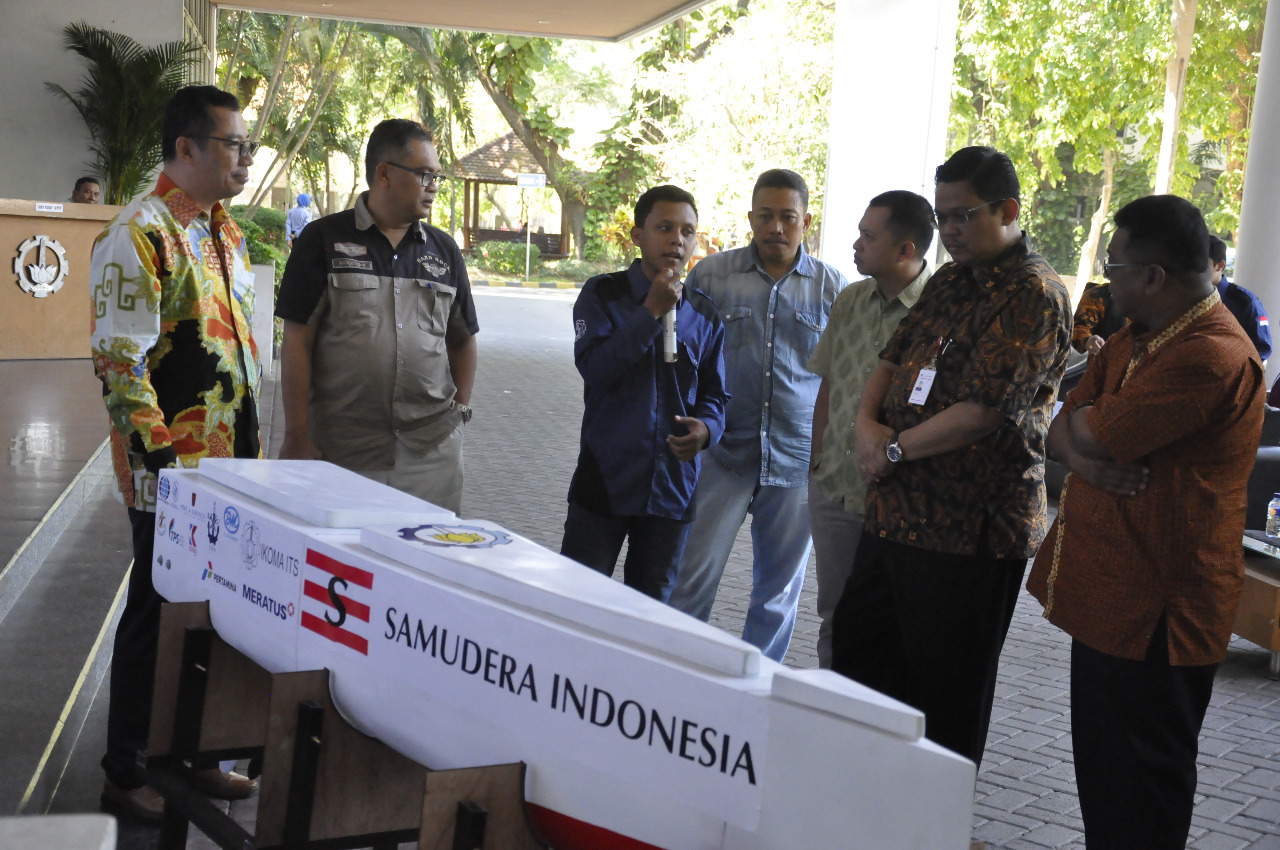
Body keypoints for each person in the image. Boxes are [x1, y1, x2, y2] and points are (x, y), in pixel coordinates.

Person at [1026, 195, 1264, 849]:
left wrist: (1083, 446)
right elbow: (1063, 423)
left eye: (1115, 262)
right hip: (1108, 601)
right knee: (1105, 787)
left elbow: (1094, 434)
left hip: (1160, 616)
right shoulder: (1142, 333)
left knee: (1142, 800)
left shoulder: (1210, 356)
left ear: (1154, 274)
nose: (1106, 279)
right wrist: (1082, 451)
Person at [830, 146, 1072, 766]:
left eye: (963, 216)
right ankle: (864, 814)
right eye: (943, 218)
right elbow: (892, 357)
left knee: (946, 696)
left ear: (1009, 210)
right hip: (895, 514)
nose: (951, 232)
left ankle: (935, 828)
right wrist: (864, 424)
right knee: (862, 661)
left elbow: (987, 410)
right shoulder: (948, 279)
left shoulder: (1035, 293)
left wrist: (891, 445)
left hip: (970, 530)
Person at [90, 84, 261, 822]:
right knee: (155, 618)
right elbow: (120, 364)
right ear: (186, 148)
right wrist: (162, 468)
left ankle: (196, 755)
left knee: (215, 616)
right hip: (171, 477)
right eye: (232, 145)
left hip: (234, 470)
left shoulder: (225, 232)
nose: (245, 158)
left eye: (248, 146)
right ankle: (125, 770)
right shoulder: (139, 231)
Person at [667, 169, 847, 662]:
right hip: (722, 455)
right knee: (692, 577)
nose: (776, 228)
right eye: (765, 216)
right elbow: (688, 365)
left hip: (795, 461)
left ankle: (757, 684)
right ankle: (677, 674)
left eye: (788, 217)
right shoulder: (711, 277)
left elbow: (844, 379)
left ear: (806, 221)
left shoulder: (834, 289)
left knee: (777, 592)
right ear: (750, 218)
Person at [276, 119, 478, 513]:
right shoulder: (321, 241)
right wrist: (297, 434)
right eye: (423, 174)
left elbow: (463, 338)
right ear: (384, 173)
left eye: (436, 176)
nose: (433, 185)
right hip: (342, 454)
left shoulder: (444, 251)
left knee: (425, 567)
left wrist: (458, 413)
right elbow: (297, 340)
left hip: (430, 458)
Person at [560, 185, 728, 601]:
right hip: (606, 479)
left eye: (688, 231)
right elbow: (597, 370)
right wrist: (649, 312)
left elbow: (716, 395)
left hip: (672, 487)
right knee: (577, 602)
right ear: (637, 235)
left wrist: (706, 430)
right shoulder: (603, 294)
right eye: (664, 227)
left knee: (651, 612)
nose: (677, 239)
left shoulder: (704, 313)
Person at [806, 190, 934, 667]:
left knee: (891, 625)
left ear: (906, 249)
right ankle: (831, 716)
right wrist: (818, 461)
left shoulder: (937, 311)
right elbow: (829, 385)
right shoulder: (850, 299)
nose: (855, 244)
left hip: (897, 498)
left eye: (867, 235)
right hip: (834, 492)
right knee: (835, 617)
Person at [1210, 235, 1271, 365]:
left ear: (1220, 265)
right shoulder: (1185, 298)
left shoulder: (1244, 302)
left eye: (1201, 264)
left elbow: (1262, 349)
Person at [1071, 280, 1127, 358]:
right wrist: (1088, 341)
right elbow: (1077, 330)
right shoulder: (1096, 296)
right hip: (1104, 364)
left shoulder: (1148, 298)